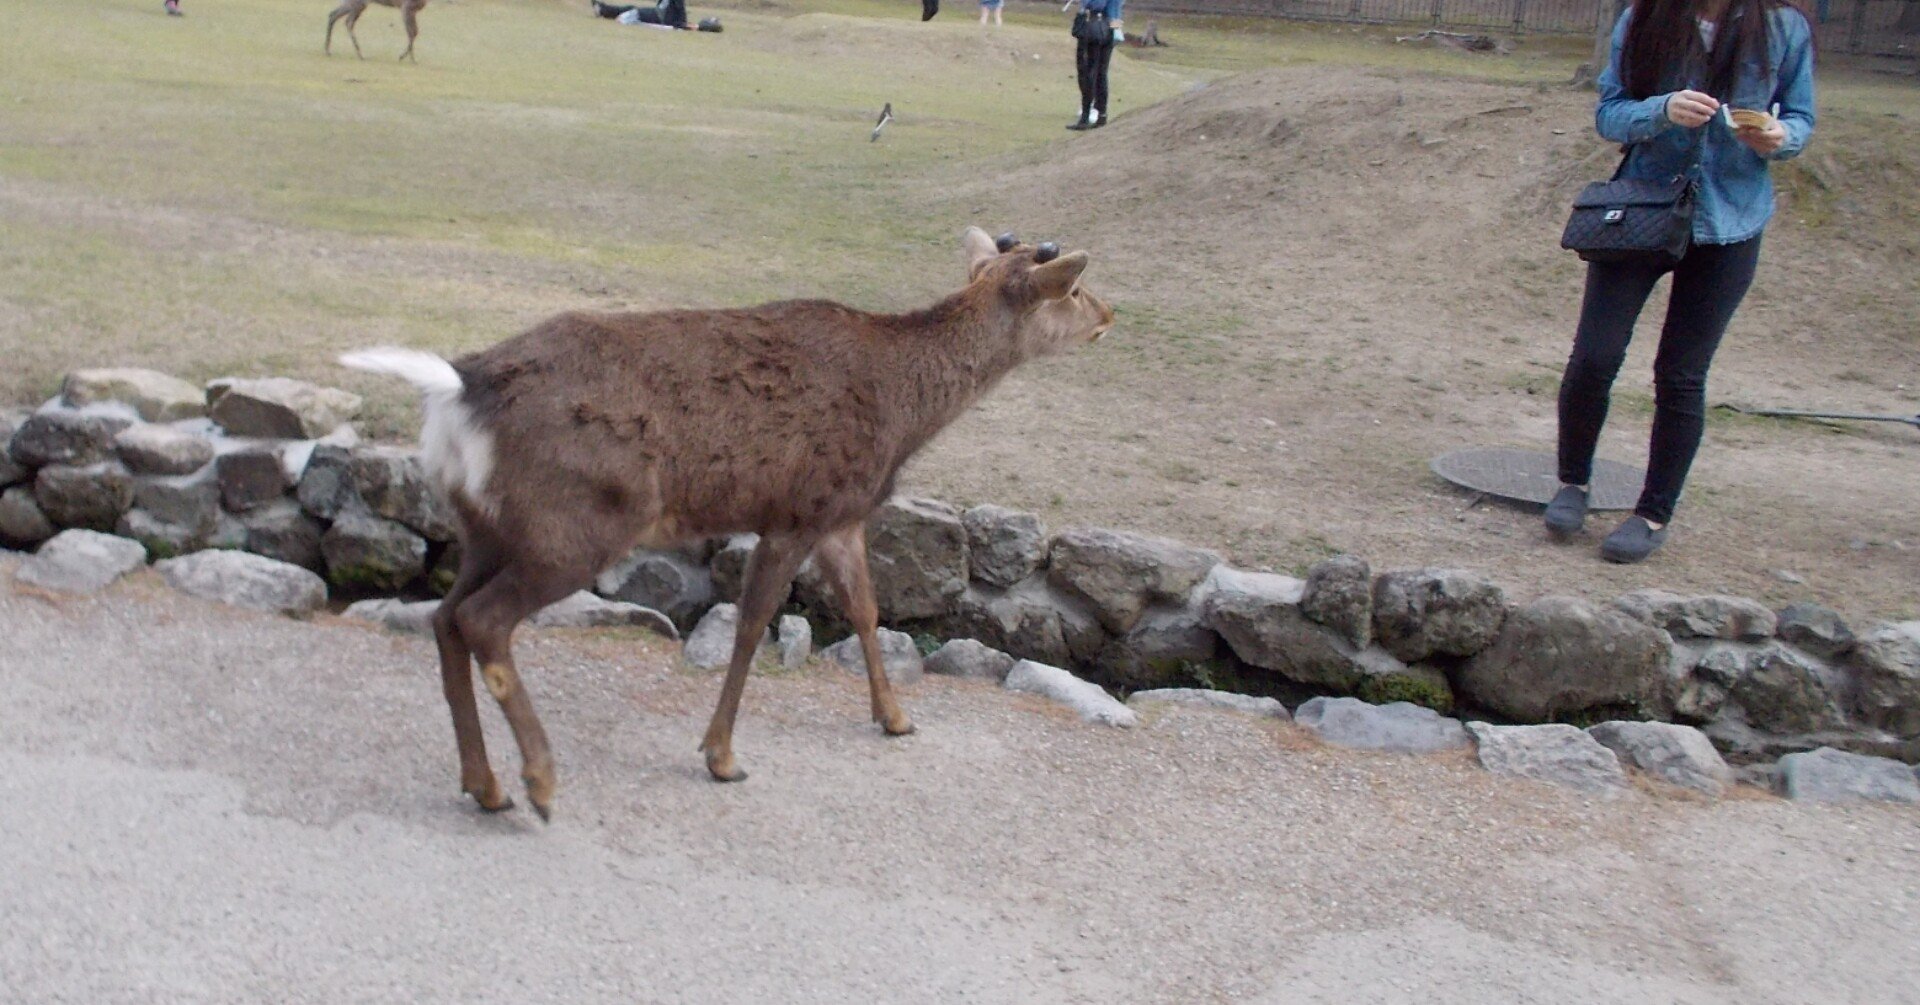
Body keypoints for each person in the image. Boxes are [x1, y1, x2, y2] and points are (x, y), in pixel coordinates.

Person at [1545, 0, 1815, 563]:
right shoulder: (1644, 17)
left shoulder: (1783, 28)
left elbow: (1801, 118)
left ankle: (1652, 514)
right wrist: (1662, 109)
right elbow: (1609, 113)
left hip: (1731, 220)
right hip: (1643, 207)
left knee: (1681, 375)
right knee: (1595, 356)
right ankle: (1572, 483)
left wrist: (1778, 135)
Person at [1067, 0, 1124, 130]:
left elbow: (1096, 4)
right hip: (1112, 25)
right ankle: (1102, 114)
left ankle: (1086, 115)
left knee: (1088, 71)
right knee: (1101, 73)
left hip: (1097, 24)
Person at [593, 0, 686, 28]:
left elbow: (681, 17)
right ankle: (603, 9)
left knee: (635, 11)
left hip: (659, 18)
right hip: (656, 14)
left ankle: (602, 9)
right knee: (630, 8)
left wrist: (684, 25)